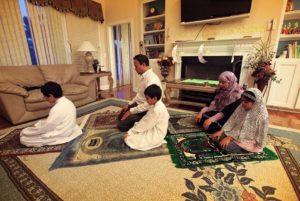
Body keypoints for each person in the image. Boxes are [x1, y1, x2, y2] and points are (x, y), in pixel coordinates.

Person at [20, 82, 82, 147]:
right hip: (69, 128)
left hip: (63, 133)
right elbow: (53, 121)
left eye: (45, 97)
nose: (45, 99)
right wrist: (40, 124)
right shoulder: (68, 101)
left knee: (23, 139)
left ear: (51, 96)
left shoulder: (56, 109)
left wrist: (27, 132)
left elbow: (47, 128)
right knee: (40, 122)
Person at [209, 88, 268, 154]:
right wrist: (221, 131)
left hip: (247, 141)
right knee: (214, 138)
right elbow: (232, 121)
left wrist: (229, 138)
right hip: (234, 134)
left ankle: (243, 150)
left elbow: (249, 133)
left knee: (225, 147)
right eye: (242, 101)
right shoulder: (241, 107)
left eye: (246, 102)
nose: (242, 103)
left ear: (255, 102)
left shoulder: (261, 116)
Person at [117, 54, 162, 132]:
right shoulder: (143, 77)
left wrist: (131, 111)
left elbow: (149, 104)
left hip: (146, 108)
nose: (135, 69)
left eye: (136, 66)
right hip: (139, 104)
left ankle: (144, 123)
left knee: (121, 126)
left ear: (143, 64)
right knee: (121, 115)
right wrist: (129, 104)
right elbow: (139, 95)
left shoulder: (152, 80)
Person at [124, 84, 169, 151]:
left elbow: (145, 124)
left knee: (129, 139)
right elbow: (146, 120)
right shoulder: (159, 104)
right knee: (136, 130)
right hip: (155, 129)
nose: (146, 100)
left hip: (156, 135)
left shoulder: (157, 110)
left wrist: (130, 132)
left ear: (154, 98)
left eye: (147, 98)